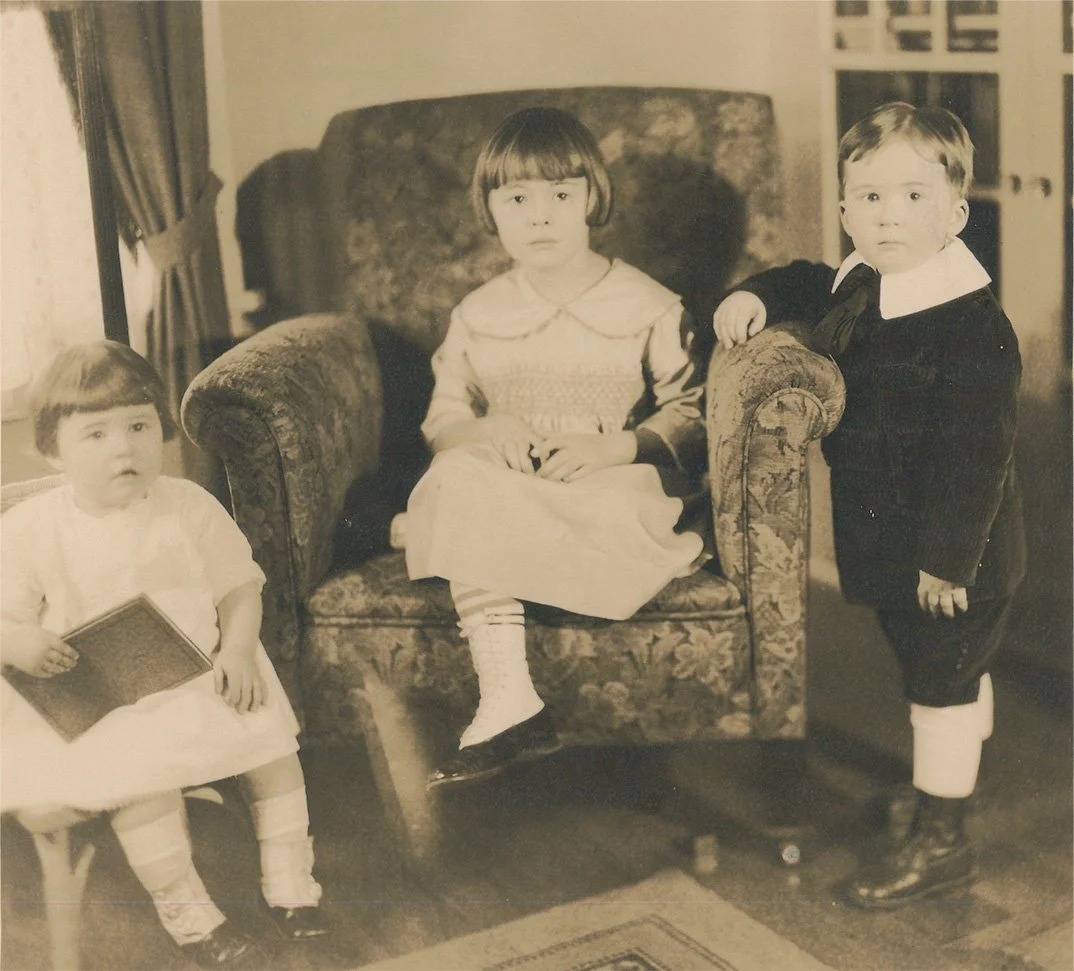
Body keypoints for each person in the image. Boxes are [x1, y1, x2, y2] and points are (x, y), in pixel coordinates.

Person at [713, 102, 1025, 908]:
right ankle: (944, 789)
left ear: (956, 213)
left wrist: (949, 560)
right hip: (891, 544)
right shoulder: (860, 279)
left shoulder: (971, 325)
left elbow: (976, 457)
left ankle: (943, 839)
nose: (889, 215)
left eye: (914, 197)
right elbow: (802, 281)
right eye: (870, 196)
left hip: (959, 553)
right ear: (846, 207)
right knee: (935, 671)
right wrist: (753, 294)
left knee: (942, 682)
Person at [405, 106, 708, 790]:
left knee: (598, 500)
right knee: (458, 474)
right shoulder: (478, 314)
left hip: (604, 484)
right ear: (490, 210)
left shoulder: (648, 304)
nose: (539, 218)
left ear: (592, 201)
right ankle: (509, 694)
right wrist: (486, 430)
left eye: (560, 197)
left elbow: (694, 409)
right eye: (517, 199)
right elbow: (443, 420)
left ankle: (483, 560)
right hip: (515, 483)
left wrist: (618, 448)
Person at [1, 342, 329, 966]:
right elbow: (4, 619)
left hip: (204, 671)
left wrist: (235, 649)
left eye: (139, 426)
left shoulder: (188, 505)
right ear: (53, 451)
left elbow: (240, 587)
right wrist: (21, 641)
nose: (123, 447)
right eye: (95, 433)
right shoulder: (30, 528)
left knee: (273, 750)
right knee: (142, 783)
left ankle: (291, 885)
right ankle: (189, 913)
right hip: (106, 694)